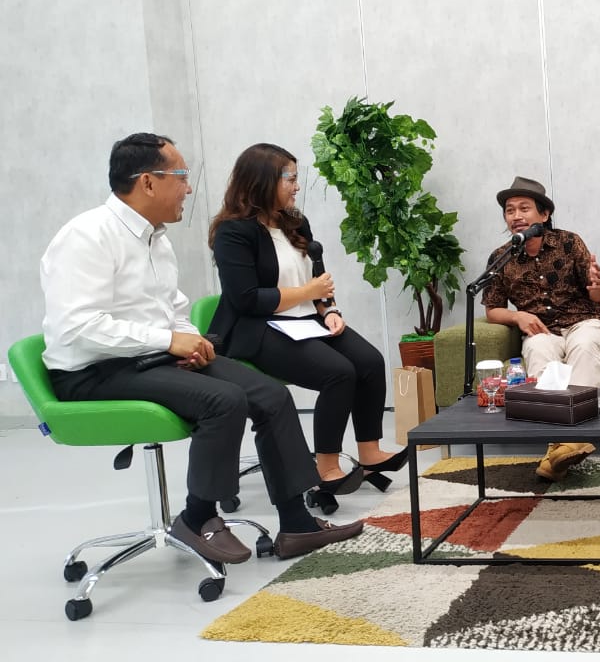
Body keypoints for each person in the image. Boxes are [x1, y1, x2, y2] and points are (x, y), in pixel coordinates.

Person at [40, 132, 363, 562]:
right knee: (223, 400)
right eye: (181, 177)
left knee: (271, 395)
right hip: (95, 371)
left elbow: (170, 308)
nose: (189, 189)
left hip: (153, 357)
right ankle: (197, 517)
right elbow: (79, 326)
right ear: (148, 182)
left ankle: (297, 524)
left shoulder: (156, 238)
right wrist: (168, 340)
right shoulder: (86, 236)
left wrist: (188, 339)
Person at [207, 143, 406, 512]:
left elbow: (318, 277)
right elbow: (246, 298)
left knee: (369, 361)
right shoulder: (232, 233)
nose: (297, 186)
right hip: (259, 326)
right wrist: (308, 293)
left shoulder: (294, 221)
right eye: (290, 178)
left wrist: (328, 309)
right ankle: (326, 466)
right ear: (262, 180)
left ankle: (369, 451)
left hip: (307, 319)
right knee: (338, 372)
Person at [482, 177, 600, 482]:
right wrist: (518, 317)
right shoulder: (501, 257)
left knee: (585, 345)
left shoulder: (569, 242)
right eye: (510, 210)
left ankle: (559, 449)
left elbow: (597, 295)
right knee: (539, 350)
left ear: (544, 214)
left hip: (583, 322)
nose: (516, 216)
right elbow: (492, 309)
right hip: (542, 330)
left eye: (524, 208)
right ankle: (567, 447)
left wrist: (599, 286)